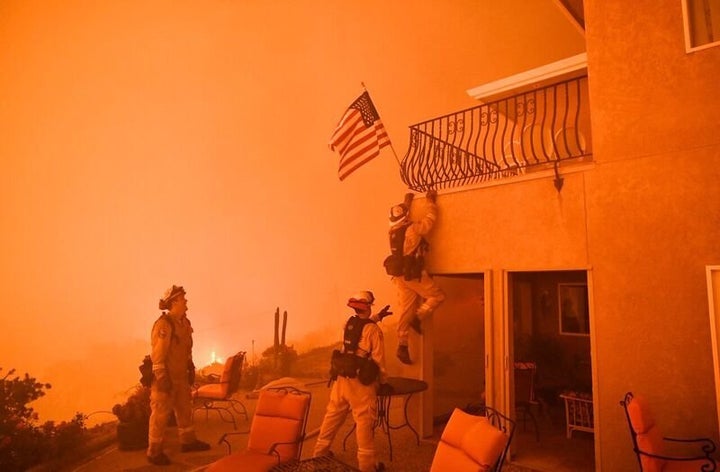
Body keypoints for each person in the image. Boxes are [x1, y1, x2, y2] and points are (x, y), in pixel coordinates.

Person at [313, 291, 390, 472]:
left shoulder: (348, 323)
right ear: (369, 305)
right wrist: (383, 381)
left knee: (332, 416)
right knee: (364, 423)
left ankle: (319, 453)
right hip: (361, 385)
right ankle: (367, 466)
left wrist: (377, 317)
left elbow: (360, 329)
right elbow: (379, 359)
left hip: (342, 379)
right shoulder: (374, 330)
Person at [147, 285, 210, 465]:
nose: (186, 301)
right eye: (183, 298)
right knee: (159, 416)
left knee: (184, 411)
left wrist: (190, 367)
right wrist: (162, 378)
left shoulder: (185, 322)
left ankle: (188, 442)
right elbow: (158, 356)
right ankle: (154, 452)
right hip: (165, 379)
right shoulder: (164, 325)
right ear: (174, 302)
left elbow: (187, 349)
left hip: (181, 377)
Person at [385, 190, 446, 364]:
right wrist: (431, 202)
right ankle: (418, 318)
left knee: (406, 309)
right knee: (437, 296)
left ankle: (402, 345)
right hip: (414, 274)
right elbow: (429, 222)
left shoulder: (392, 231)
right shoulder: (412, 229)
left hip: (400, 276)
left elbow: (403, 213)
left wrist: (407, 201)